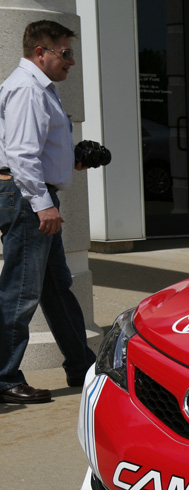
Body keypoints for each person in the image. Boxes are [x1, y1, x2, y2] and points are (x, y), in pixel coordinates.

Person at [0, 20, 96, 404]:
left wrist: (72, 161)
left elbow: (34, 150)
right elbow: (21, 154)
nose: (71, 62)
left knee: (56, 288)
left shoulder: (41, 88)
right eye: (65, 53)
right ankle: (5, 378)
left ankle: (81, 365)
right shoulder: (27, 89)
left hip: (32, 195)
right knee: (20, 293)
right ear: (41, 52)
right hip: (27, 199)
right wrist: (42, 205)